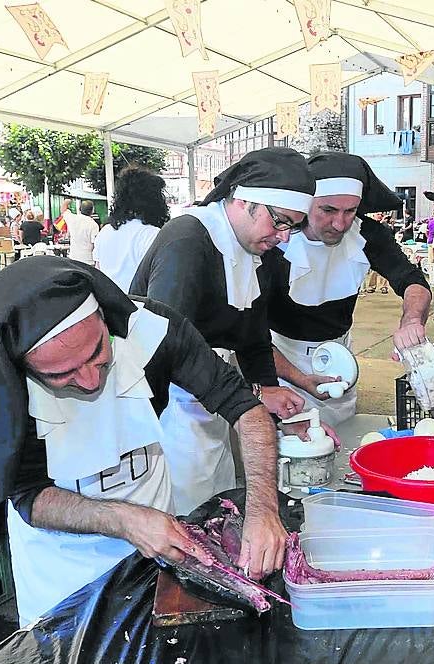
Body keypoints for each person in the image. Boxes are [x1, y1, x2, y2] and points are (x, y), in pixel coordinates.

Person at [0, 257, 287, 626]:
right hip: (62, 566)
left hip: (154, 544)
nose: (90, 382)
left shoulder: (154, 330)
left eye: (97, 354)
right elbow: (28, 495)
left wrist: (263, 510)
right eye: (61, 374)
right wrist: (125, 520)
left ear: (105, 319)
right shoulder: (2, 387)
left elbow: (245, 408)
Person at [130, 147, 315, 515]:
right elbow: (167, 348)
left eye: (293, 226)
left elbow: (253, 340)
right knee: (186, 510)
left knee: (220, 503)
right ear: (244, 201)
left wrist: (272, 402)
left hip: (213, 398)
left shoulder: (255, 251)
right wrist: (253, 395)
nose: (284, 237)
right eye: (280, 221)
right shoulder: (187, 240)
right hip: (168, 406)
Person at [266, 151, 431, 425]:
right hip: (281, 361)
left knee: (344, 433)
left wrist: (412, 319)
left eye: (350, 211)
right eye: (328, 210)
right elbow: (248, 334)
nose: (340, 224)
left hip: (340, 356)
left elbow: (413, 280)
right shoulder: (275, 243)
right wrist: (300, 379)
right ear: (305, 203)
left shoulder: (366, 234)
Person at [93, 165, 169, 293]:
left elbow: (98, 272)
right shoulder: (151, 235)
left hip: (110, 303)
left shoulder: (105, 232)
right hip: (139, 303)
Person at [60, 198, 99, 265]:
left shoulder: (72, 219)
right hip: (88, 260)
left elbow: (63, 210)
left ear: (80, 209)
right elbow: (95, 244)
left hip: (74, 259)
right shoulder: (94, 225)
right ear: (92, 211)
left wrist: (67, 201)